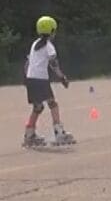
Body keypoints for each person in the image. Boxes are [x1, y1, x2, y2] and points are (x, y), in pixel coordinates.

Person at [22, 16, 76, 147]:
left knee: (38, 107)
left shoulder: (35, 44)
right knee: (53, 104)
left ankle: (29, 134)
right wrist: (62, 77)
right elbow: (53, 63)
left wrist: (27, 78)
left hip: (31, 78)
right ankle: (59, 133)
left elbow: (27, 63)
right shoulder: (48, 46)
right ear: (52, 31)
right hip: (41, 79)